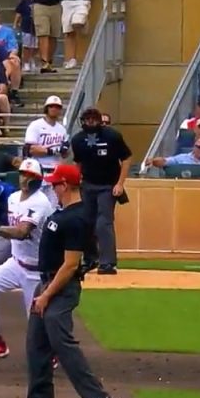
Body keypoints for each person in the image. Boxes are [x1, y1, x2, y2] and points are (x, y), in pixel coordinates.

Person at [18, 163, 116, 398]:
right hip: (49, 284)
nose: (52, 188)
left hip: (60, 288)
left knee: (61, 343)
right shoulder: (68, 213)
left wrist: (47, 295)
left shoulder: (76, 217)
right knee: (36, 344)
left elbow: (71, 263)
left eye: (55, 184)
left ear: (64, 185)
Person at [0, 158, 54, 365]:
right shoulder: (14, 198)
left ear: (37, 180)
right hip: (16, 263)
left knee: (35, 322)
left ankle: (52, 352)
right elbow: (11, 231)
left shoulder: (41, 202)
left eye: (30, 176)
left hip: (36, 271)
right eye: (23, 174)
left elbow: (22, 232)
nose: (25, 179)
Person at [70, 106, 131, 275]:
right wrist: (78, 180)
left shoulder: (112, 136)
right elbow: (78, 162)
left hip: (107, 185)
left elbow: (126, 159)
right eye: (87, 119)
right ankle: (90, 258)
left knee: (104, 222)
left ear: (98, 120)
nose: (90, 122)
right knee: (87, 222)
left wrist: (120, 183)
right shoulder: (78, 140)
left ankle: (108, 262)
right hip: (88, 184)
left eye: (93, 119)